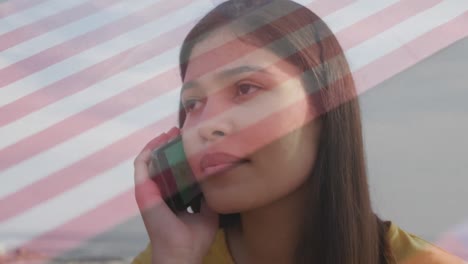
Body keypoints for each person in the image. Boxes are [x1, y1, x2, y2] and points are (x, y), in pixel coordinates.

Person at [132, 1, 465, 263]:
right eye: (193, 103)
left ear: (324, 107)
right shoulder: (167, 257)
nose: (206, 124)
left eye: (246, 88)